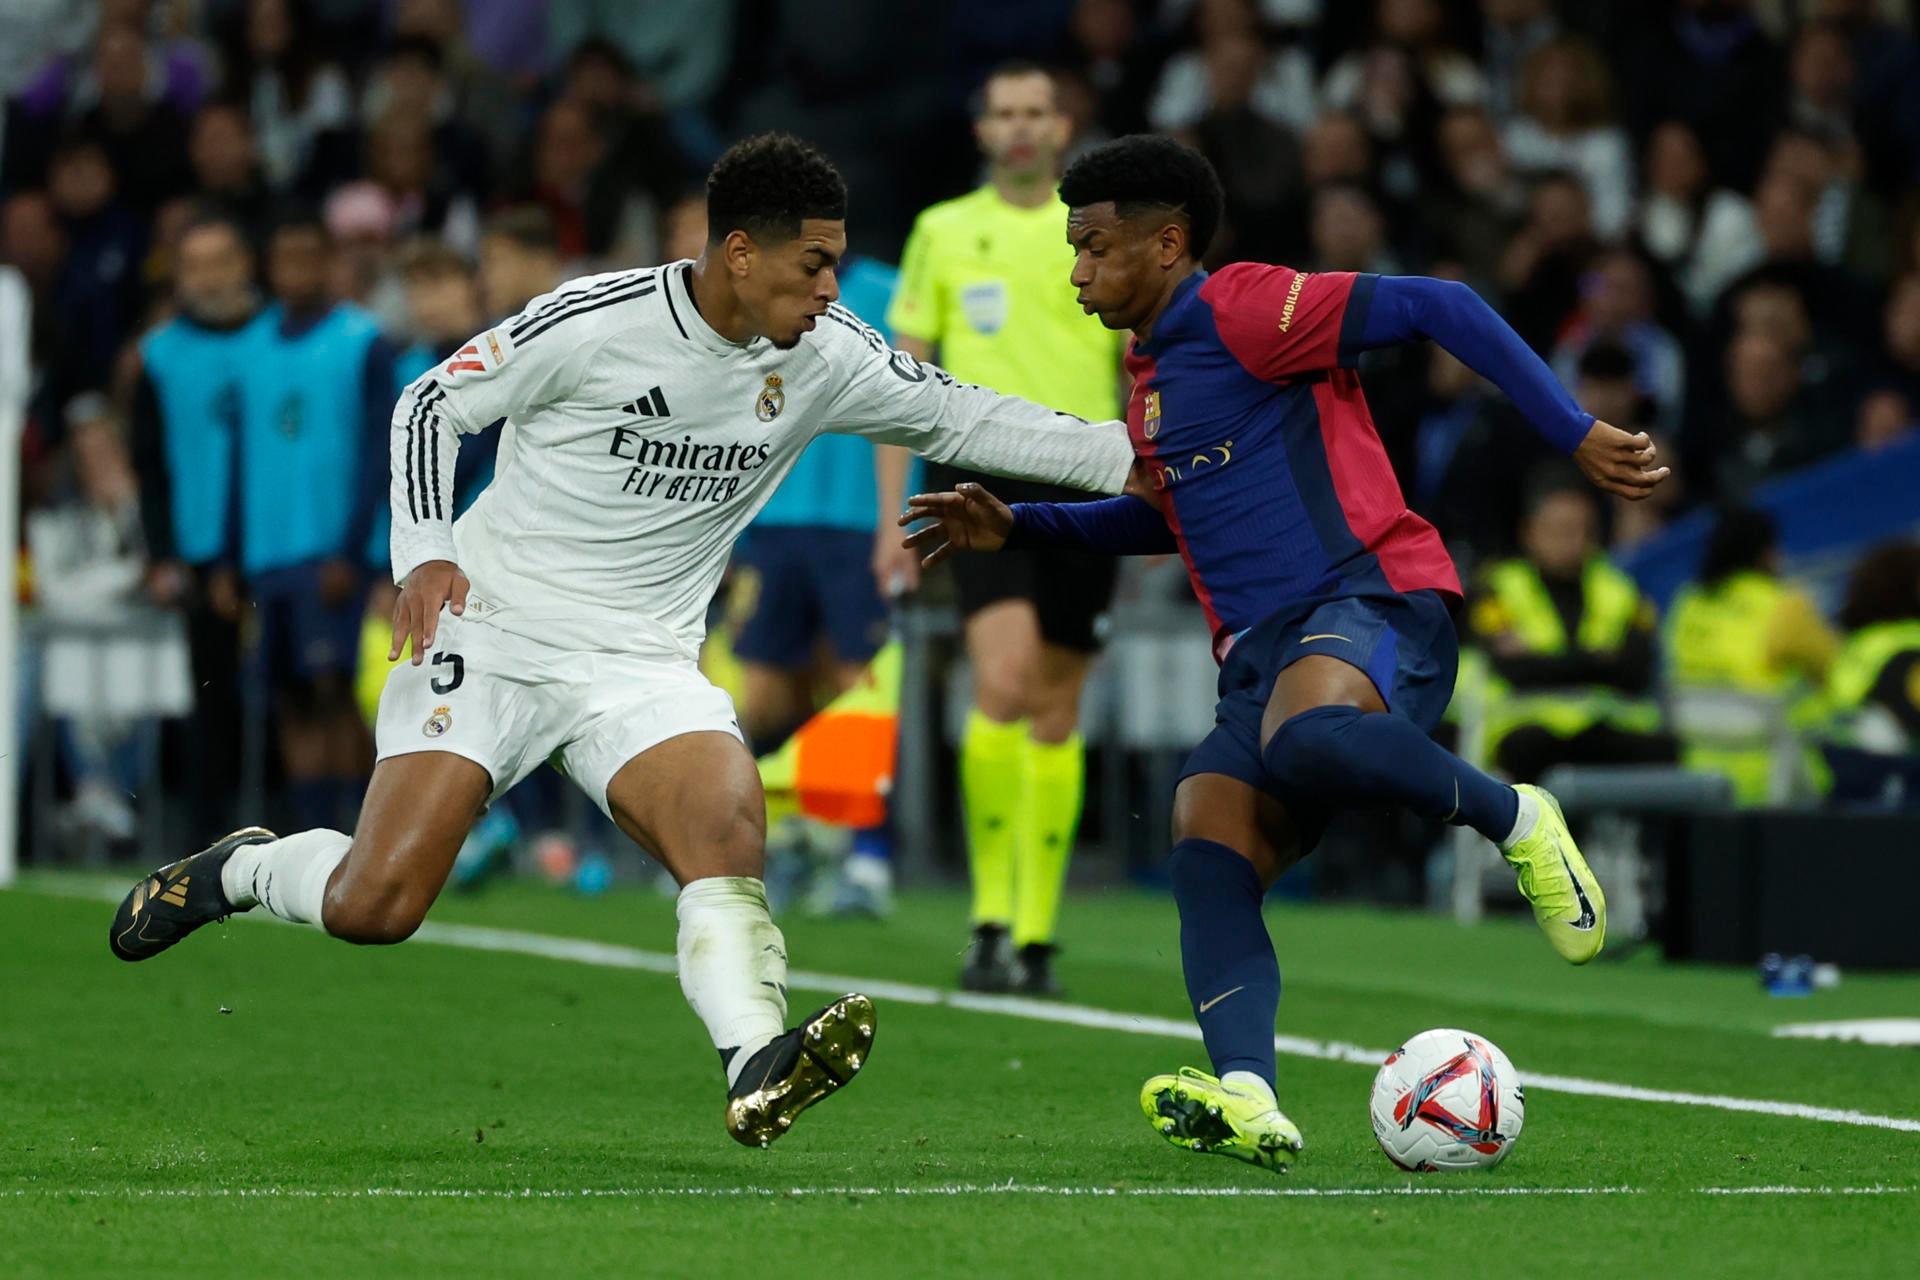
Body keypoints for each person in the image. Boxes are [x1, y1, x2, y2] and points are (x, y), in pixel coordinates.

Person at [108, 133, 1137, 1150]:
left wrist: (1139, 459)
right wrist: (422, 547)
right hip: (494, 626)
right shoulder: (596, 320)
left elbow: (963, 419)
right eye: (813, 262)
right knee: (377, 902)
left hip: (639, 659)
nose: (832, 287)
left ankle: (754, 1058)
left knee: (726, 825)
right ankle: (241, 870)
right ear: (740, 253)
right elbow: (433, 401)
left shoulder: (827, 357)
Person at [899, 135, 1666, 1173]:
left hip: (1370, 598)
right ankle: (1249, 1091)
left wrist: (1570, 429)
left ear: (1167, 243)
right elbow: (1166, 519)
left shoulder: (1246, 308)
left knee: (1303, 738)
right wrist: (1021, 527)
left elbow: (1442, 305)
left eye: (1093, 246)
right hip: (1264, 651)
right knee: (1204, 831)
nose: (1075, 271)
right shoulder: (1149, 378)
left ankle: (1515, 814)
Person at [879, 62, 1129, 997]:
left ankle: (1035, 935)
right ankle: (988, 916)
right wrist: (888, 517)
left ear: (1062, 124)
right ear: (982, 131)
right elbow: (901, 387)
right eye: (1004, 115)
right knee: (1006, 677)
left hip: (1092, 475)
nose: (1021, 128)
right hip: (977, 475)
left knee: (1058, 707)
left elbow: (1143, 363)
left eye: (1037, 111)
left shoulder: (1105, 233)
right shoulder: (943, 232)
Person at [237, 212, 395, 836]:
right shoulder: (249, 347)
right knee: (291, 700)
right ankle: (311, 836)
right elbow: (241, 457)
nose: (296, 269)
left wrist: (353, 551)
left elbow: (380, 451)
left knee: (336, 693)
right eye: (285, 257)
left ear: (330, 262)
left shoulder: (364, 340)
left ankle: (361, 832)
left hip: (331, 554)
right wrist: (231, 555)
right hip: (267, 555)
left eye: (309, 256)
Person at [128, 211, 264, 840]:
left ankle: (311, 831)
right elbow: (148, 465)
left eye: (221, 261)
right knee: (210, 701)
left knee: (294, 696)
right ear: (177, 277)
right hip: (198, 548)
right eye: (195, 265)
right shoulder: (158, 356)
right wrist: (161, 554)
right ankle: (208, 842)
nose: (209, 277)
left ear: (245, 266)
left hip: (281, 543)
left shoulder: (277, 338)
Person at [1462, 468, 1675, 786]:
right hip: (1527, 730)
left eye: (1583, 530)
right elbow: (1513, 669)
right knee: (1527, 750)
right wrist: (1599, 661)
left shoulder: (1620, 588)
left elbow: (1637, 667)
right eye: (1559, 530)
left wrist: (1546, 661)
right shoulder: (1496, 588)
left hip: (1607, 727)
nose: (1573, 542)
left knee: (1667, 751)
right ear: (1528, 531)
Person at [1665, 506, 1837, 805]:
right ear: (1766, 553)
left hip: (1699, 777)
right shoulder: (1784, 606)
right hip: (1780, 779)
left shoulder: (1688, 603)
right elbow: (1840, 669)